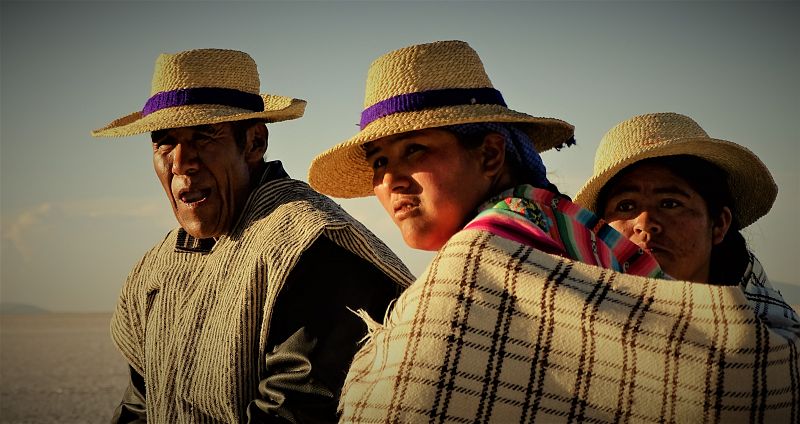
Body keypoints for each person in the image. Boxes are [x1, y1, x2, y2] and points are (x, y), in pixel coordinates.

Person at [308, 40, 800, 422]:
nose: (392, 179)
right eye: (379, 161)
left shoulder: (486, 254)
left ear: (491, 155)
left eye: (415, 151)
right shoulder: (551, 229)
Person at [91, 48, 413, 423]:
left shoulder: (310, 249)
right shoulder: (158, 267)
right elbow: (141, 402)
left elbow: (293, 411)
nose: (181, 161)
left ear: (254, 143)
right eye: (164, 141)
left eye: (203, 135)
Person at [574, 112, 799, 338]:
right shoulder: (574, 329)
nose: (645, 223)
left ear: (719, 224)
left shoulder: (777, 347)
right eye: (625, 207)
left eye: (670, 203)